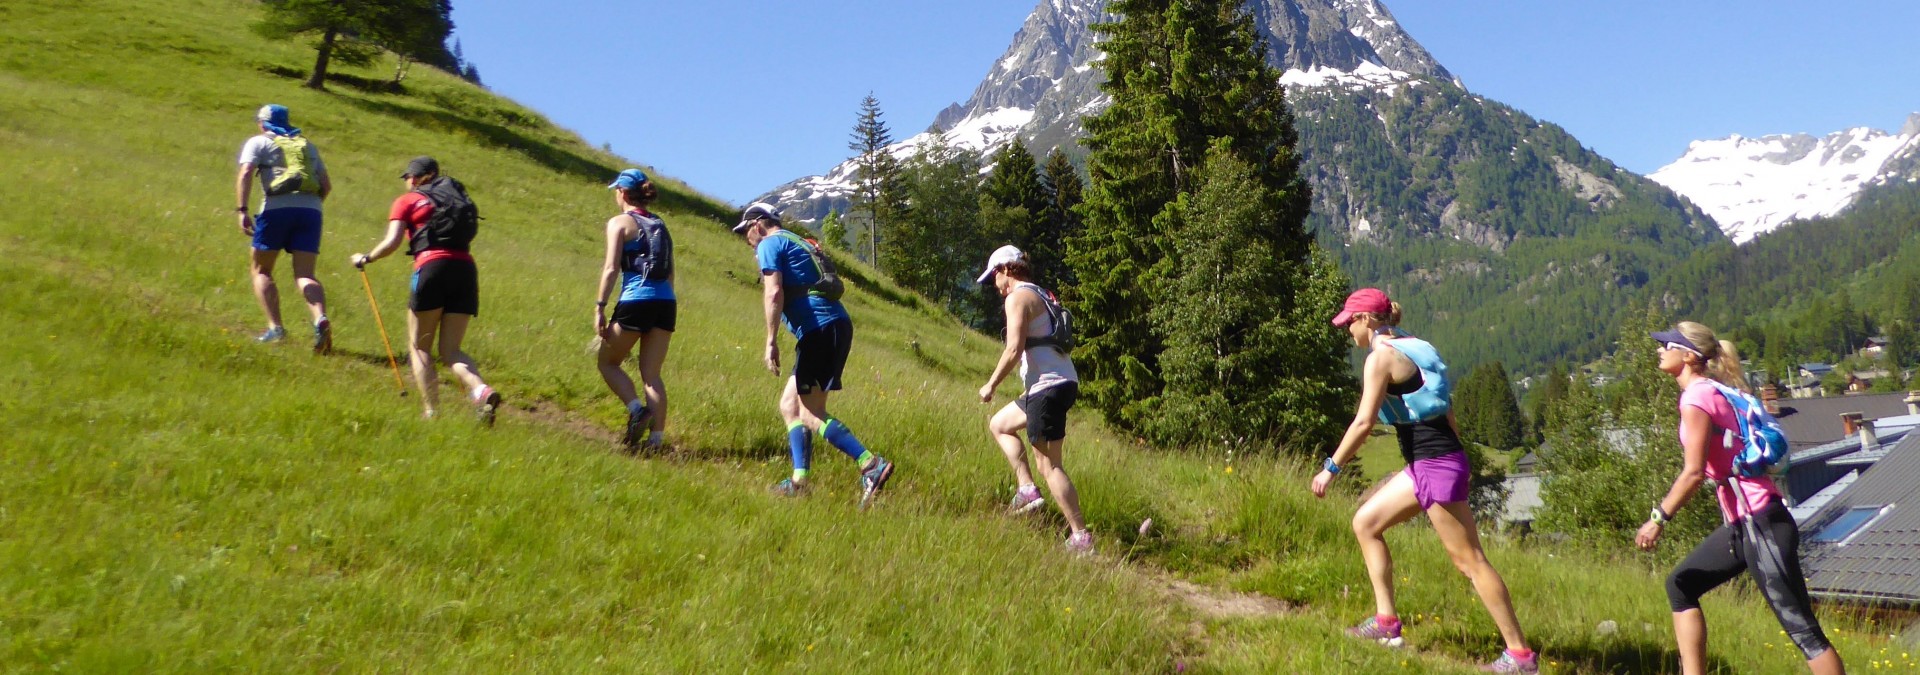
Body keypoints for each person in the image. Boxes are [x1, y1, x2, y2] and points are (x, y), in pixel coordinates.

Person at [1311, 288, 1537, 673]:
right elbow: (1445, 407)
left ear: (1367, 319)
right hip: (1431, 461)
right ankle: (1386, 625)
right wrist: (1457, 455)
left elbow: (1364, 422)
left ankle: (1520, 656)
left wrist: (1331, 467)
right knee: (1366, 523)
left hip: (1434, 462)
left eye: (1349, 322)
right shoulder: (1418, 346)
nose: (1347, 330)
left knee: (1470, 561)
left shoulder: (1379, 358)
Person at [1636, 322, 1843, 675]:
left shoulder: (1697, 398)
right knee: (1681, 584)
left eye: (1666, 344)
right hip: (1744, 525)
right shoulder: (1708, 392)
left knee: (1803, 630)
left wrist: (1658, 518)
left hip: (1762, 522)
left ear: (1688, 355)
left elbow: (1693, 472)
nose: (1659, 349)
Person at [733, 202, 894, 507]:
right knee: (790, 405)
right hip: (833, 326)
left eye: (746, 232)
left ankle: (871, 464)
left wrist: (770, 340)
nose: (747, 239)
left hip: (818, 329)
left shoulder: (770, 243)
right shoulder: (798, 240)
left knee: (810, 413)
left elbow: (774, 292)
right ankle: (799, 481)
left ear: (757, 224)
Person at [349, 157, 501, 424]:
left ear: (419, 177)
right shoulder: (457, 198)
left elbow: (392, 242)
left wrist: (366, 258)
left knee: (419, 347)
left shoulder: (407, 201)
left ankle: (432, 412)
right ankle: (481, 390)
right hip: (465, 268)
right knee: (452, 350)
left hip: (431, 267)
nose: (407, 182)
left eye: (408, 177)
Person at [975, 245, 1091, 554]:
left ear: (1007, 270)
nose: (994, 286)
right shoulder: (1043, 294)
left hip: (1047, 386)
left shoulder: (1017, 298)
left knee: (1050, 465)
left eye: (994, 278)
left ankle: (1080, 537)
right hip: (1057, 382)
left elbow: (1014, 349)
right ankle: (1027, 490)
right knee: (1000, 424)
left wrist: (990, 385)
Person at [235, 104, 333, 352]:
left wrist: (242, 210)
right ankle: (320, 318)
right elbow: (325, 185)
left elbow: (246, 172)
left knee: (262, 270)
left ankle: (276, 329)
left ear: (263, 122)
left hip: (277, 208)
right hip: (312, 211)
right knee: (305, 274)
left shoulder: (258, 142)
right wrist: (308, 207)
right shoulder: (307, 145)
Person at [593, 169, 674, 452]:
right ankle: (656, 441)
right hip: (666, 303)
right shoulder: (660, 225)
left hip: (635, 300)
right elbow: (671, 272)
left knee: (608, 362)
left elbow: (612, 268)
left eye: (617, 190)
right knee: (652, 374)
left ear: (624, 193)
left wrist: (600, 306)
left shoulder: (619, 223)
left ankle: (637, 410)